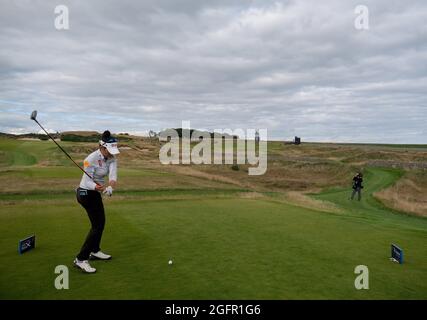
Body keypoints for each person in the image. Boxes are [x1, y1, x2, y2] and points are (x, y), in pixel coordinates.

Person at [73, 130, 119, 273]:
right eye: (109, 150)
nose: (112, 153)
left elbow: (113, 175)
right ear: (102, 148)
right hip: (85, 193)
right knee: (97, 226)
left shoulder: (111, 158)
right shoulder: (90, 158)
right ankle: (81, 259)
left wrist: (110, 186)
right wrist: (96, 187)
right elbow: (86, 182)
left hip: (95, 193)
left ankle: (95, 250)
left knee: (100, 223)